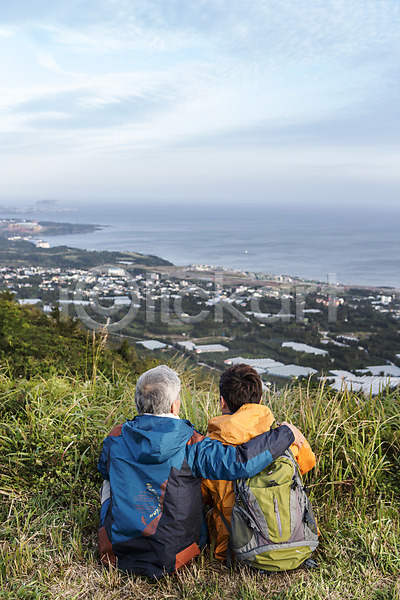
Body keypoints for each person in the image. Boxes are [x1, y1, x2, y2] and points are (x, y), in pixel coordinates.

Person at [97, 364, 304, 579]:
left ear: (139, 403)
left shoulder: (115, 438)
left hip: (119, 553)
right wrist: (285, 434)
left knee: (109, 479)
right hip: (175, 554)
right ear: (174, 406)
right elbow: (240, 462)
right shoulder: (191, 443)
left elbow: (104, 468)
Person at [201, 363, 316, 562]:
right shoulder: (285, 437)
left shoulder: (211, 448)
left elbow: (203, 496)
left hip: (234, 550)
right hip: (296, 544)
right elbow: (308, 463)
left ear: (222, 402)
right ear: (260, 400)